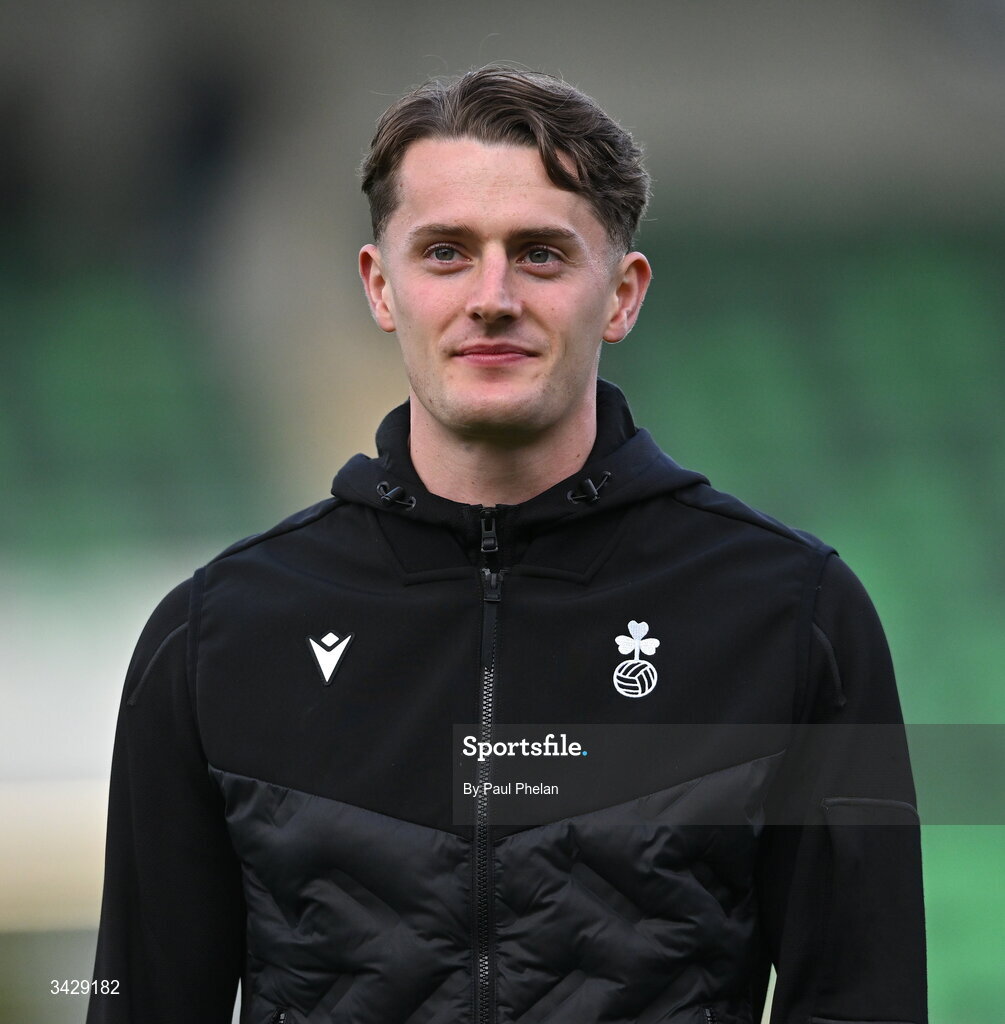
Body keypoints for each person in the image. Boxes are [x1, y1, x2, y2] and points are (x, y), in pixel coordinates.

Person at [88, 67, 927, 1024]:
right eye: (445, 253)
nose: (491, 297)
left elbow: (866, 1001)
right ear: (380, 286)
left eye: (538, 255)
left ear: (621, 294)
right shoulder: (214, 636)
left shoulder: (796, 616)